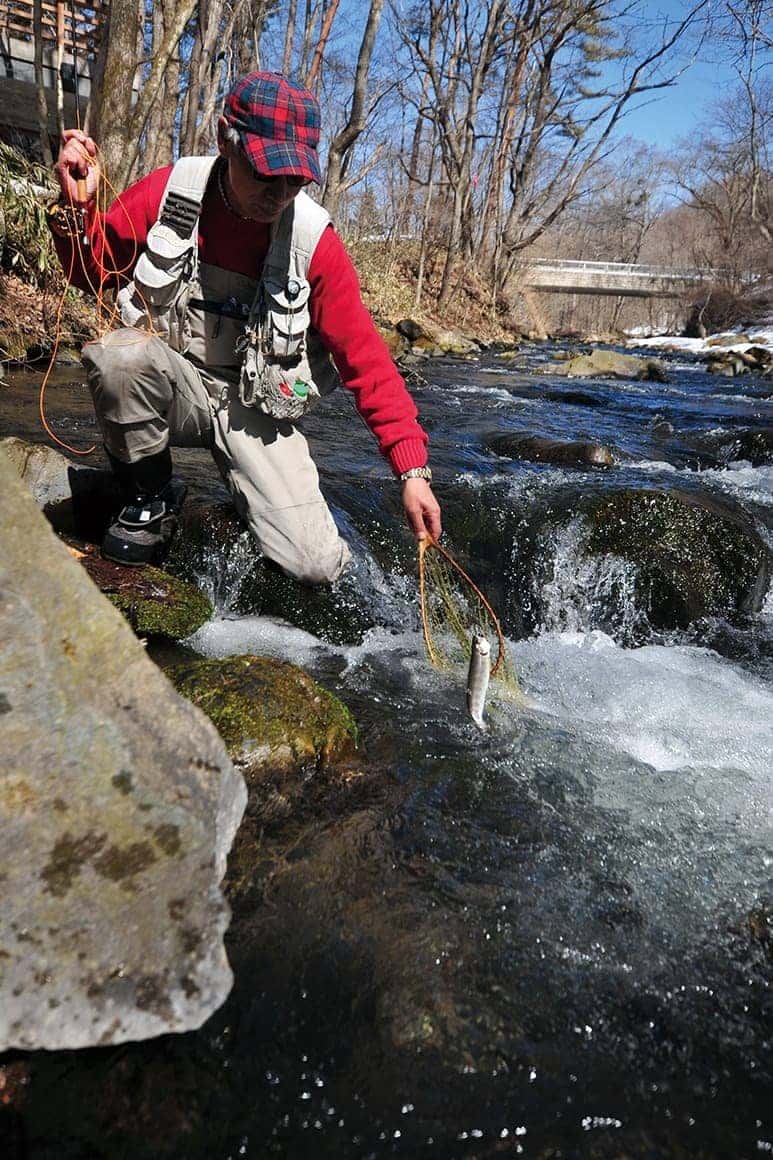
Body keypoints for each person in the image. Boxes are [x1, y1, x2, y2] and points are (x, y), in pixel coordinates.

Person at [50, 71, 441, 581]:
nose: (280, 193)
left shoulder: (314, 241)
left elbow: (367, 363)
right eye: (266, 173)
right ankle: (149, 495)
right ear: (224, 139)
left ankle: (239, 506)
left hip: (256, 410)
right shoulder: (173, 192)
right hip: (178, 387)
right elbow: (92, 271)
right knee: (118, 355)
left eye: (295, 180)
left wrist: (412, 470)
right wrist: (78, 206)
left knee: (314, 565)